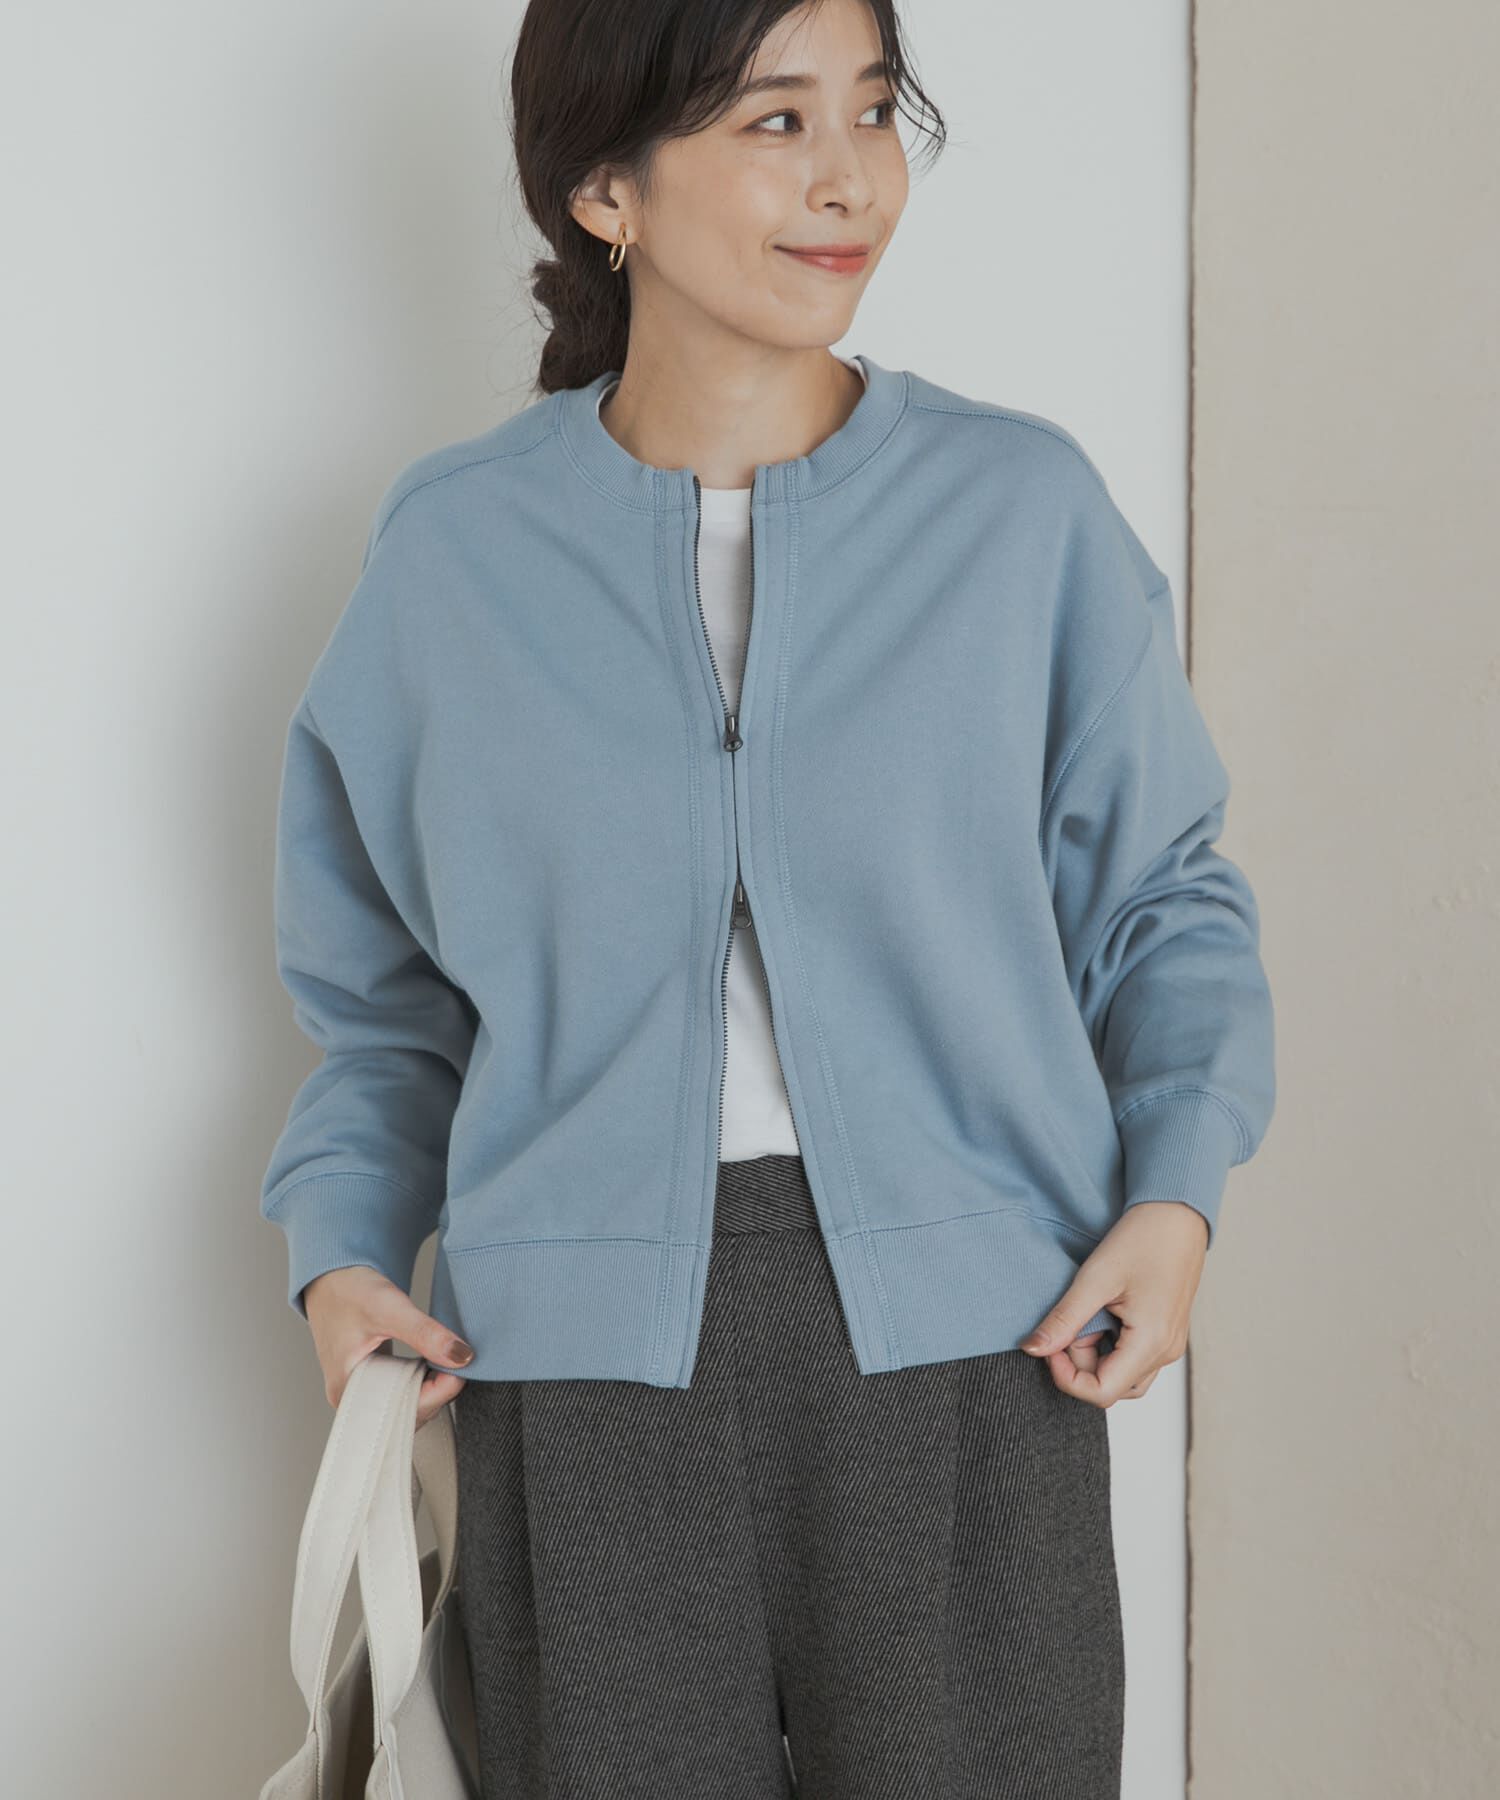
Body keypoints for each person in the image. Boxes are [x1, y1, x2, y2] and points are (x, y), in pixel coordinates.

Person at [259, 1, 1276, 1793]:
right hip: (577, 1375)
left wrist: (1177, 1191)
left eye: (874, 113)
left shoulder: (1017, 514)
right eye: (775, 122)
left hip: (973, 1353)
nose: (849, 179)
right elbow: (389, 1008)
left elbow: (1162, 902)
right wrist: (342, 1252)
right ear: (606, 191)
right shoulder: (454, 556)